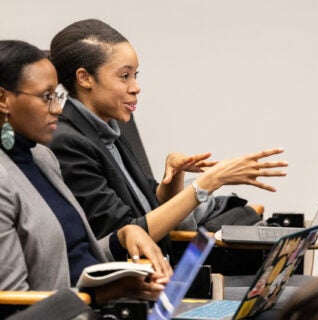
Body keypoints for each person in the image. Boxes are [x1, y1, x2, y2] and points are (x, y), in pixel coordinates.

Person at [49, 18, 288, 262]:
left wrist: (174, 178)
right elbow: (129, 234)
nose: (136, 87)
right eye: (124, 76)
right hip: (128, 288)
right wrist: (210, 181)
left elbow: (152, 205)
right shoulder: (68, 142)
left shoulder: (107, 128)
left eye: (135, 75)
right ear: (85, 78)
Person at [0, 39, 171, 306]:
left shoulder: (42, 157)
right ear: (3, 99)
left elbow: (72, 257)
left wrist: (123, 236)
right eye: (46, 97)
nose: (57, 109)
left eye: (57, 96)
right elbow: (13, 303)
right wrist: (101, 294)